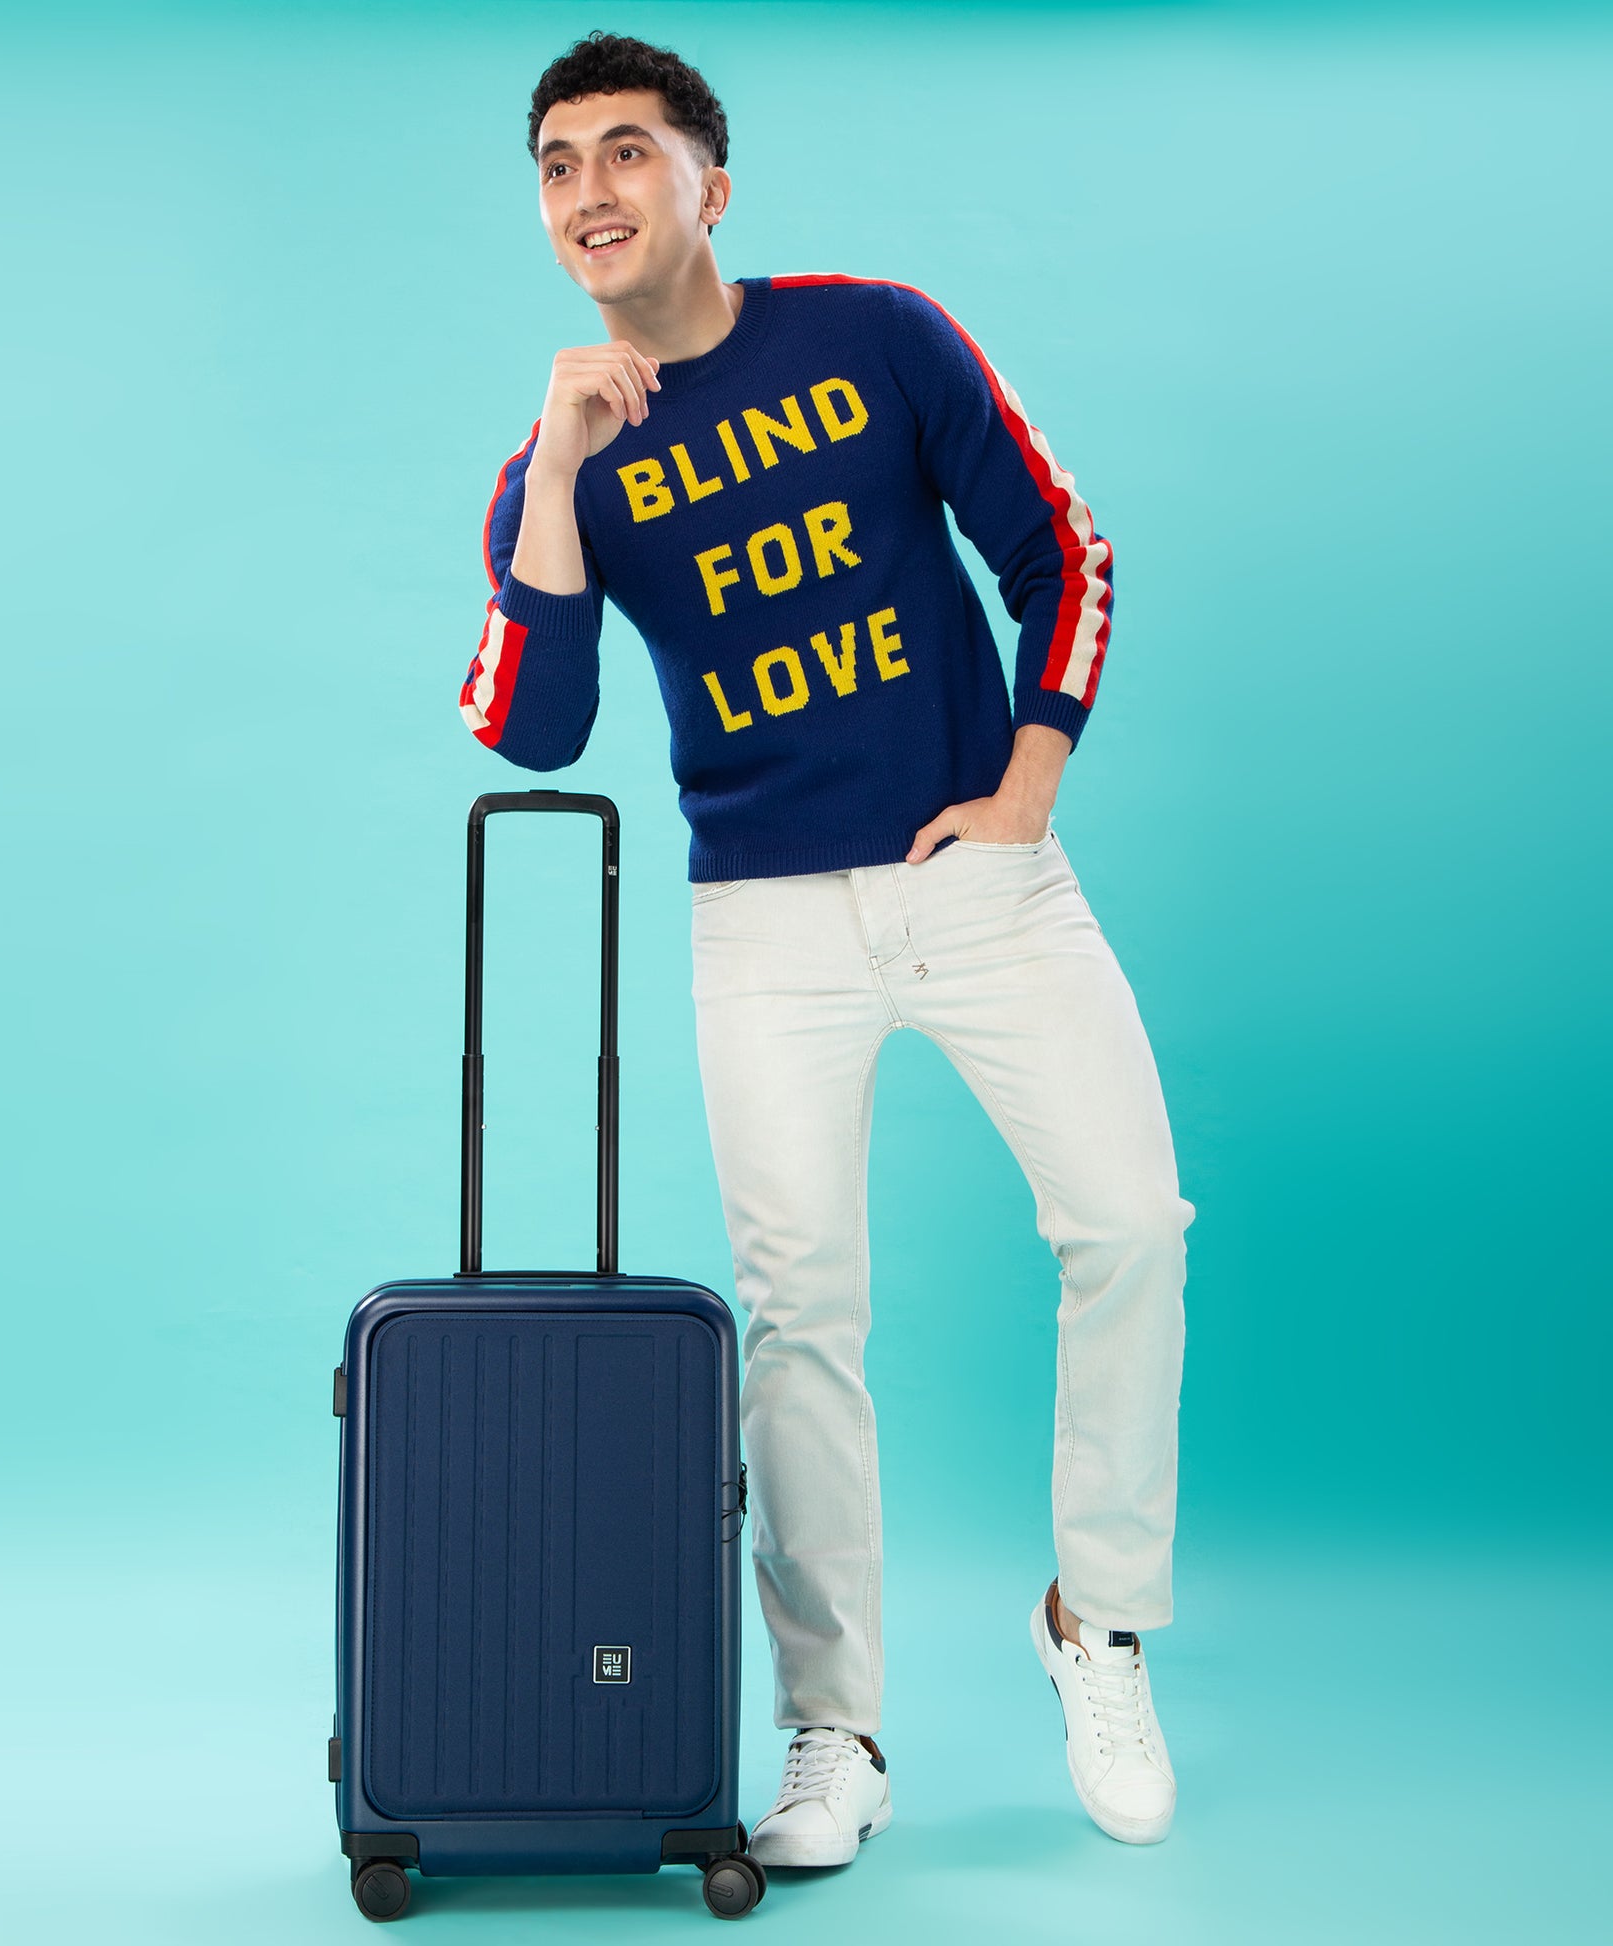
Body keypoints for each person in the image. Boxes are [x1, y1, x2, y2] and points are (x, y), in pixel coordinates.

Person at [458, 30, 1192, 1865]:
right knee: (802, 1324)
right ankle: (834, 1727)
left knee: (1125, 1223)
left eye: (628, 152)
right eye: (557, 167)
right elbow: (529, 729)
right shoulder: (563, 458)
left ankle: (1091, 1618)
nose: (592, 192)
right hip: (763, 925)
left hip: (977, 881)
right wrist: (557, 473)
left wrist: (1027, 782)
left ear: (713, 179)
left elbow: (1059, 547)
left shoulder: (873, 335)